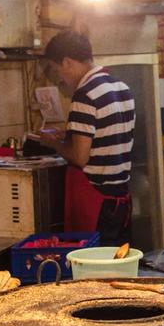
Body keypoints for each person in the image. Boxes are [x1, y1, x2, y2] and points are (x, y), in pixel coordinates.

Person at [40, 30, 134, 246]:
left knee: (94, 271)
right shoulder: (121, 87)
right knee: (119, 265)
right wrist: (68, 135)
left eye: (57, 70)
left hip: (96, 202)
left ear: (67, 62)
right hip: (121, 199)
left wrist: (53, 143)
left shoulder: (85, 94)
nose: (61, 78)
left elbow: (79, 156)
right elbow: (108, 135)